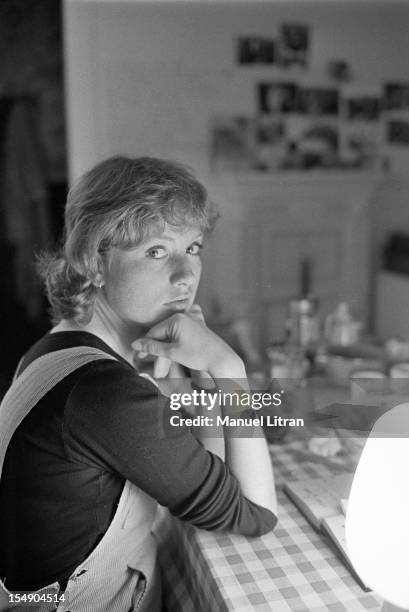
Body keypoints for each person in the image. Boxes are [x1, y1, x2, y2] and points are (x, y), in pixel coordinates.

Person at [0, 156, 278, 611]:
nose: (185, 276)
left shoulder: (58, 349)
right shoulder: (105, 395)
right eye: (155, 251)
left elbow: (208, 473)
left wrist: (203, 376)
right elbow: (255, 513)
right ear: (95, 263)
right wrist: (229, 369)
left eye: (193, 248)